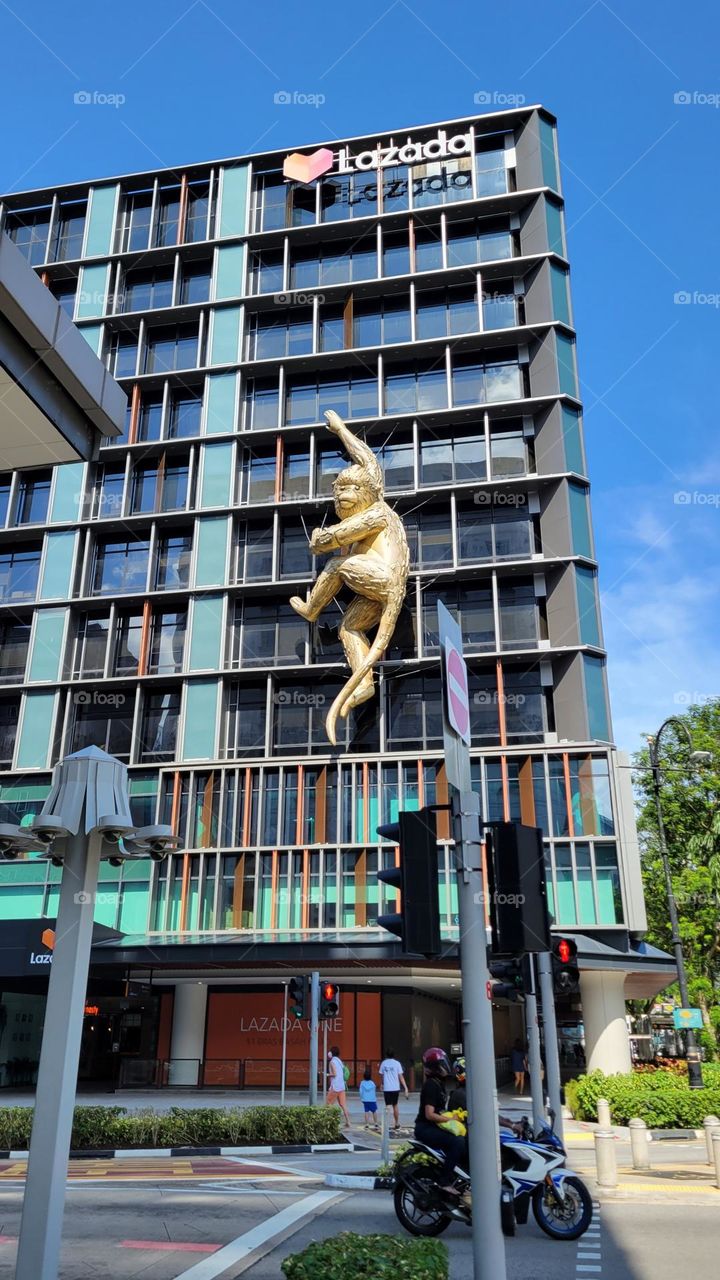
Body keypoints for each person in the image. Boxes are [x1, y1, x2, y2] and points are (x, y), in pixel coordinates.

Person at [414, 1046, 466, 1195]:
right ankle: (445, 1181)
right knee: (457, 1142)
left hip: (433, 1127)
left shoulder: (439, 1084)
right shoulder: (431, 1085)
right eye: (442, 1065)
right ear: (436, 1067)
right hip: (425, 1128)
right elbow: (430, 1114)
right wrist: (450, 1119)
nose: (445, 1068)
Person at [378, 1048, 409, 1131]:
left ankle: (386, 1125)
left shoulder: (383, 1063)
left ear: (386, 1054)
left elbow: (382, 1075)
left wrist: (382, 1084)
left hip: (387, 1088)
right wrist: (405, 1087)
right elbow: (401, 1076)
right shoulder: (397, 1063)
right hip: (395, 1088)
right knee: (395, 1105)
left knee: (388, 1105)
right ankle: (396, 1123)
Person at [326, 1046, 350, 1127]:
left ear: (331, 1053)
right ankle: (348, 1122)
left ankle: (328, 1121)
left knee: (328, 1104)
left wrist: (327, 1074)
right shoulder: (340, 1061)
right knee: (343, 1104)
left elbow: (335, 1074)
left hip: (335, 1086)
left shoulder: (332, 1062)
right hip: (342, 1086)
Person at [358, 1065, 380, 1130]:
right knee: (374, 1111)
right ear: (370, 1076)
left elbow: (361, 1092)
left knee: (366, 1111)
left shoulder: (362, 1083)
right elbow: (374, 1091)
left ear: (364, 1076)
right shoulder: (372, 1083)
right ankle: (375, 1123)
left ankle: (367, 1124)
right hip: (372, 1100)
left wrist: (362, 1098)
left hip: (365, 1099)